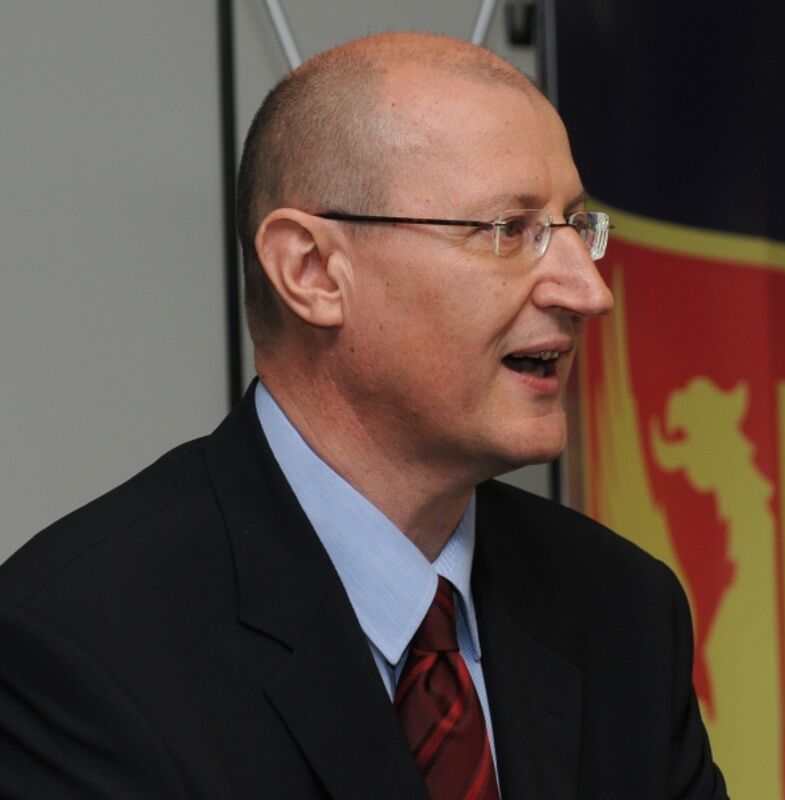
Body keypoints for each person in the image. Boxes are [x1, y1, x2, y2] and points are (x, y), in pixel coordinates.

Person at [0, 32, 727, 799]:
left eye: (577, 227)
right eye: (510, 231)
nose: (588, 291)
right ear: (312, 271)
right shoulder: (81, 649)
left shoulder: (622, 612)